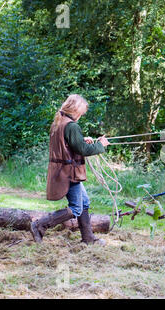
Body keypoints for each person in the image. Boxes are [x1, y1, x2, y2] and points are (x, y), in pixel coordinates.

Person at [30, 94, 110, 245]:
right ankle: (40, 224)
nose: (81, 115)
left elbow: (72, 145)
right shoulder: (71, 125)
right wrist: (101, 145)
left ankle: (88, 239)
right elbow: (83, 150)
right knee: (77, 208)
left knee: (84, 202)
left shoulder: (59, 122)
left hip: (63, 171)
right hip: (69, 173)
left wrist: (82, 140)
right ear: (75, 109)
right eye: (81, 112)